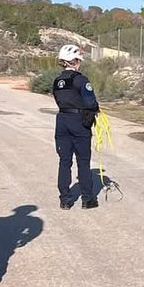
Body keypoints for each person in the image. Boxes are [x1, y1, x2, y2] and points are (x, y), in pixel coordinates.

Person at [53, 44, 100, 210]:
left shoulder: (57, 81)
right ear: (74, 61)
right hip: (78, 122)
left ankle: (65, 199)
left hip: (62, 121)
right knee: (83, 161)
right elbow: (91, 103)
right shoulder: (81, 80)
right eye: (78, 60)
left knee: (64, 161)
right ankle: (88, 199)